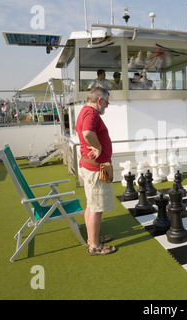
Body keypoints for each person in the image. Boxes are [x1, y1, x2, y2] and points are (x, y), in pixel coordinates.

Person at [75, 87, 117, 255]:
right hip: (95, 168)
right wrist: (98, 147)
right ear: (99, 100)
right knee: (96, 207)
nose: (107, 106)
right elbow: (87, 133)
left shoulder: (84, 112)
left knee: (91, 205)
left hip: (89, 166)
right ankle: (94, 245)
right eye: (107, 102)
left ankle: (93, 238)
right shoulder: (91, 114)